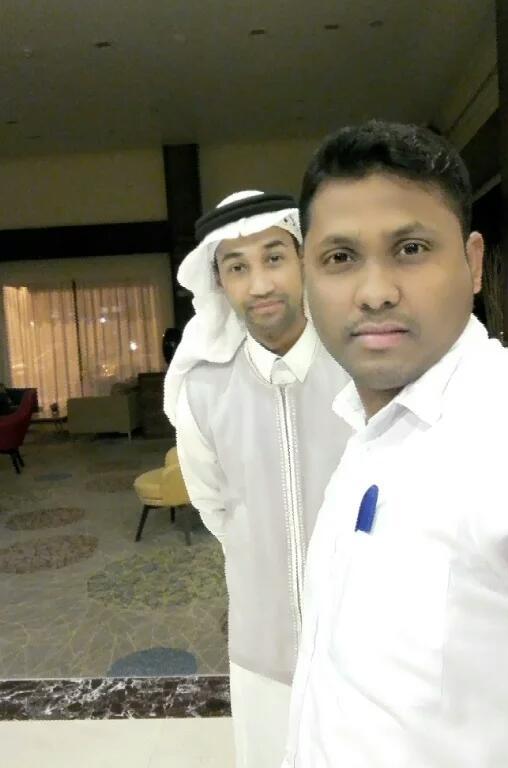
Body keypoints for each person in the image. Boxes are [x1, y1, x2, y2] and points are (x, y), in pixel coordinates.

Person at [282, 121, 508, 767]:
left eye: (410, 249)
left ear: (473, 262)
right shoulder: (366, 430)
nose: (374, 292)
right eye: (339, 258)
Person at [163, 190, 350, 768]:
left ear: (303, 261)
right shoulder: (202, 390)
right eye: (237, 267)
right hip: (261, 647)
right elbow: (214, 506)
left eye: (274, 257)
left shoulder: (361, 368)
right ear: (219, 284)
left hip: (366, 640)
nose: (260, 283)